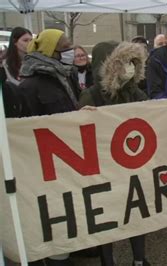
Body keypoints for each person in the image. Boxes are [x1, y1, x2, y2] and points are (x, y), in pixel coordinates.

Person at [79, 41, 149, 266]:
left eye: (132, 63)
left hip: (134, 165)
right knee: (107, 218)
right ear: (107, 65)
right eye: (123, 62)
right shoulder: (91, 95)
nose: (128, 68)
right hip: (105, 168)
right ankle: (107, 261)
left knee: (137, 214)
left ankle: (139, 259)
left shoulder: (137, 93)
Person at [17, 28, 80, 266]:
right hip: (47, 164)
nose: (71, 51)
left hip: (69, 158)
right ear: (51, 51)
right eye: (66, 47)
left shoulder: (64, 76)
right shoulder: (30, 86)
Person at [0, 27, 32, 118]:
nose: (29, 43)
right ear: (15, 42)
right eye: (25, 40)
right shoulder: (5, 64)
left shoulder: (34, 62)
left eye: (31, 40)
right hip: (16, 107)